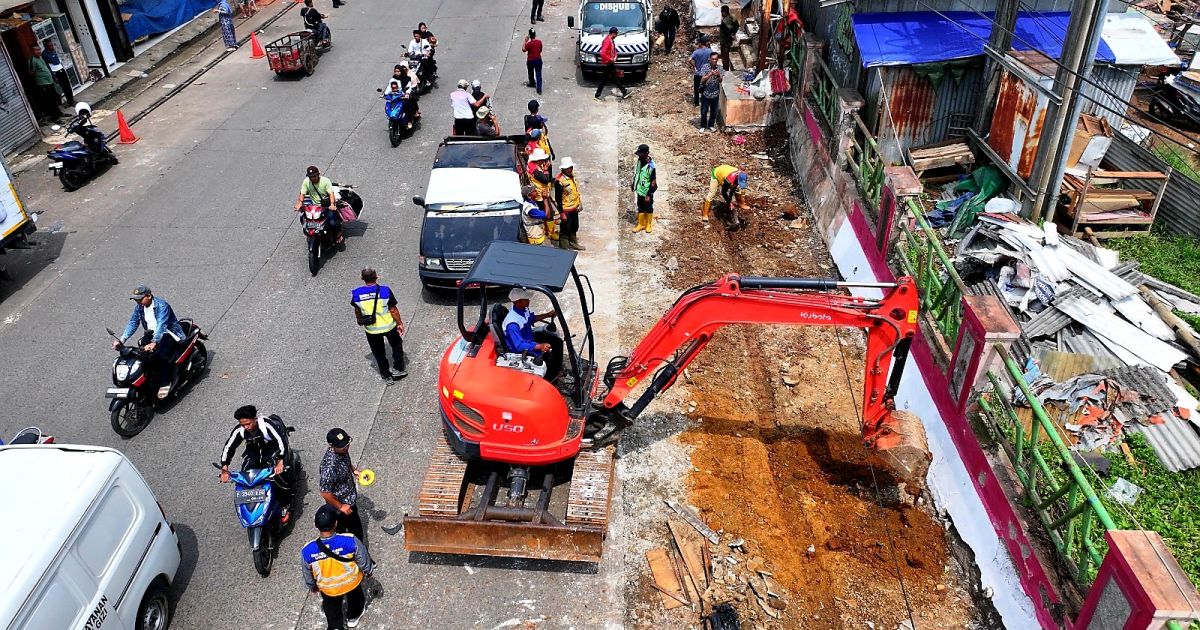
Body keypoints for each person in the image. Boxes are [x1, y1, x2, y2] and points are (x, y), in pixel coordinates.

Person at [301, 505, 373, 630]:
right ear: (335, 523)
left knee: (332, 609)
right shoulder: (350, 540)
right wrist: (368, 570)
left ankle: (336, 626)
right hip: (351, 583)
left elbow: (307, 573)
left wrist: (312, 586)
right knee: (356, 598)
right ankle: (353, 617)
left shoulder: (307, 550)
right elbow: (363, 559)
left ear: (316, 526)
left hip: (329, 589)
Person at [219, 406, 294, 521]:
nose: (246, 427)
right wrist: (225, 468)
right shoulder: (240, 430)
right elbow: (229, 447)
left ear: (255, 419)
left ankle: (285, 505)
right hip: (253, 459)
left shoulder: (266, 425)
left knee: (280, 478)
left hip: (271, 455)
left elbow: (281, 441)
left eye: (248, 423)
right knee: (244, 482)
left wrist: (280, 461)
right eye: (243, 424)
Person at [114, 285, 185, 398]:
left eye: (140, 299)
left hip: (169, 333)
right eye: (136, 300)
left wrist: (154, 342)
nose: (138, 302)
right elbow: (133, 323)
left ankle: (164, 383)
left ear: (149, 296)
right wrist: (122, 339)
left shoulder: (162, 306)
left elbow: (162, 325)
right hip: (152, 333)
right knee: (140, 355)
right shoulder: (140, 307)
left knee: (160, 356)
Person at [352, 267, 406, 381]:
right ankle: (399, 369)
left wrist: (359, 320)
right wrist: (399, 323)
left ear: (362, 278)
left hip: (371, 330)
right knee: (396, 345)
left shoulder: (357, 294)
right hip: (389, 326)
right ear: (376, 276)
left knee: (378, 353)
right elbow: (393, 310)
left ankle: (386, 376)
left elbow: (357, 310)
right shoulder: (385, 291)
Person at [503, 288, 563, 381]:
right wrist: (539, 346)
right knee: (548, 357)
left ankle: (557, 369)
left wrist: (548, 314)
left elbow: (531, 319)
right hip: (521, 348)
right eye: (526, 299)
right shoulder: (512, 323)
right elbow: (519, 345)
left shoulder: (523, 309)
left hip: (528, 336)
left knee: (558, 342)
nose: (528, 300)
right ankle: (549, 379)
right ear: (518, 301)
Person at [320, 428, 366, 542]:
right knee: (351, 531)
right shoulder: (329, 467)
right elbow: (325, 493)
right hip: (342, 504)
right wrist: (341, 507)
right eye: (343, 446)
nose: (347, 447)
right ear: (331, 446)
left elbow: (346, 461)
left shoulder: (342, 450)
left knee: (354, 528)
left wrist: (354, 470)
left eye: (347, 444)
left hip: (350, 498)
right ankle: (356, 554)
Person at [295, 166, 343, 244]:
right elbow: (302, 194)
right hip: (314, 207)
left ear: (318, 175)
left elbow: (331, 194)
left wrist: (332, 204)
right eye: (310, 177)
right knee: (303, 218)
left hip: (326, 206)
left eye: (314, 176)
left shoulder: (325, 181)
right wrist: (299, 204)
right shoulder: (306, 182)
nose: (312, 178)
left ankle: (338, 234)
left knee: (332, 222)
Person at [554, 157, 585, 251]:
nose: (570, 169)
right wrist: (561, 213)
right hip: (566, 209)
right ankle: (564, 247)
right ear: (563, 169)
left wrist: (579, 202)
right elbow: (558, 199)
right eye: (567, 168)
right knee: (565, 230)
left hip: (574, 207)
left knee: (574, 226)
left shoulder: (572, 176)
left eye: (571, 167)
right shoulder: (559, 181)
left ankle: (573, 242)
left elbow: (575, 190)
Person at [528, 148, 557, 244]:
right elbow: (545, 179)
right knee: (549, 212)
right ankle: (550, 232)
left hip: (539, 192)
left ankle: (546, 228)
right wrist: (546, 170)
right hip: (541, 194)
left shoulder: (531, 165)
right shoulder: (536, 170)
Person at [593, 27, 630, 101]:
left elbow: (613, 50)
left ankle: (624, 91)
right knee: (607, 79)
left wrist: (615, 56)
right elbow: (602, 53)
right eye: (616, 34)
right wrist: (610, 59)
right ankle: (597, 95)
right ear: (613, 34)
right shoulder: (607, 41)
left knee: (613, 78)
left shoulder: (611, 41)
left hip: (610, 63)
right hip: (607, 64)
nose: (616, 35)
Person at [28, 45, 63, 123]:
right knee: (49, 101)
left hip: (49, 81)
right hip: (43, 84)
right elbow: (31, 73)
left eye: (39, 50)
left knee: (54, 98)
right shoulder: (32, 60)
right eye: (36, 50)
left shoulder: (40, 57)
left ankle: (58, 113)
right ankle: (54, 118)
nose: (38, 51)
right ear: (32, 51)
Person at [632, 144, 657, 233]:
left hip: (647, 191)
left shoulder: (651, 166)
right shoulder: (640, 160)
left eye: (641, 154)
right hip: (639, 189)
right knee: (640, 207)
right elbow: (637, 173)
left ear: (647, 153)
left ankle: (648, 224)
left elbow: (653, 181)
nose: (639, 155)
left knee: (649, 207)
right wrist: (634, 184)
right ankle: (641, 224)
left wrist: (649, 194)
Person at [40, 40, 73, 106]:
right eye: (50, 46)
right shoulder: (44, 54)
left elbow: (57, 61)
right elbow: (50, 65)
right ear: (46, 46)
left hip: (61, 69)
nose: (52, 47)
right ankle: (68, 101)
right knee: (64, 87)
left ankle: (71, 100)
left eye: (52, 45)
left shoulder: (53, 51)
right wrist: (54, 76)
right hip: (55, 72)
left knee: (68, 86)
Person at [699, 52, 722, 132]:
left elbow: (720, 81)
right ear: (710, 59)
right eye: (713, 59)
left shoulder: (720, 68)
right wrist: (710, 74)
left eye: (716, 59)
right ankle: (703, 125)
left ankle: (711, 125)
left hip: (715, 93)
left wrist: (718, 75)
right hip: (706, 93)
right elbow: (702, 79)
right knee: (704, 111)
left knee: (714, 111)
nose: (714, 60)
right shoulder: (705, 67)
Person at [689, 38, 712, 107]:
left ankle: (696, 102)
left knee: (696, 87)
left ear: (700, 44)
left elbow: (689, 59)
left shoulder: (696, 52)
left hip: (698, 73)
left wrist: (694, 66)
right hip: (706, 73)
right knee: (706, 86)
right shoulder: (710, 51)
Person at [719, 5, 739, 72]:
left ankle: (725, 71)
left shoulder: (725, 21)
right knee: (726, 56)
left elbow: (727, 32)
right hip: (729, 41)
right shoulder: (733, 17)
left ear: (724, 12)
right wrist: (733, 33)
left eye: (721, 12)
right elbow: (737, 25)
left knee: (725, 58)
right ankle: (725, 70)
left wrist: (730, 36)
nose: (721, 14)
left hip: (724, 42)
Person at [523, 29, 543, 94]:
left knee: (530, 72)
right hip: (538, 60)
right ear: (535, 35)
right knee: (538, 74)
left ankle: (532, 83)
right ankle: (539, 89)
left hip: (530, 60)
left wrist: (525, 41)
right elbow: (540, 50)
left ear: (530, 36)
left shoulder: (528, 44)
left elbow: (523, 49)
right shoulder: (539, 42)